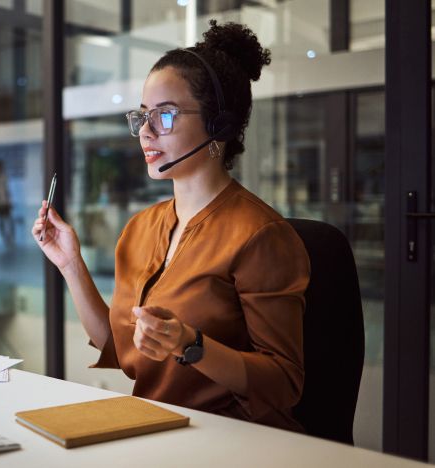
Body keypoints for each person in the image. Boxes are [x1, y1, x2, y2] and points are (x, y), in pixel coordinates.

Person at [32, 20, 310, 432]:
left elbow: (284, 384)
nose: (145, 132)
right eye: (142, 116)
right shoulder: (141, 228)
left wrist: (192, 346)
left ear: (218, 125)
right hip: (156, 426)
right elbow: (120, 348)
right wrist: (70, 264)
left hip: (231, 439)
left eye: (164, 115)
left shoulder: (260, 235)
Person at [0, 159, 14, 247]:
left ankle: (10, 237)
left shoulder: (4, 177)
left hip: (5, 202)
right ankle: (4, 237)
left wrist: (9, 201)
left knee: (8, 220)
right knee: (1, 221)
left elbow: (8, 190)